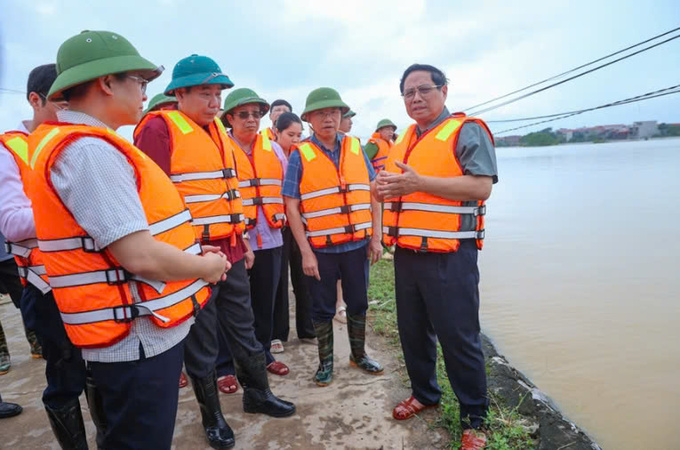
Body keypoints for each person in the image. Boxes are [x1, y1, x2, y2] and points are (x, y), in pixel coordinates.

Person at [25, 31, 228, 449]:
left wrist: (190, 253)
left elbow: (135, 235)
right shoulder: (88, 151)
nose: (143, 93)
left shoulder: (90, 144)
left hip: (134, 331)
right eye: (140, 82)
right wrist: (207, 267)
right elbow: (140, 256)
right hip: (134, 336)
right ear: (106, 82)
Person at [134, 54, 295, 449]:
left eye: (217, 92)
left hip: (231, 251)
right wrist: (182, 256)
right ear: (179, 93)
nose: (213, 101)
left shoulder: (218, 132)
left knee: (245, 324)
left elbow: (230, 192)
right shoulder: (158, 127)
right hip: (189, 257)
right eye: (204, 92)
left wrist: (240, 243)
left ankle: (258, 395)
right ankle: (213, 417)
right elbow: (148, 200)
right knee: (203, 339)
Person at [376, 64, 497, 450]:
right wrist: (383, 190)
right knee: (413, 332)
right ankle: (425, 393)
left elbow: (480, 186)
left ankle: (474, 418)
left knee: (459, 338)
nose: (415, 98)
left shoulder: (466, 130)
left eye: (423, 89)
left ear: (444, 91)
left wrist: (418, 182)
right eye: (408, 93)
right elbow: (397, 190)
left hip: (450, 256)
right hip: (408, 253)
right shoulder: (404, 138)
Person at [1, 64, 96, 450]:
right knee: (65, 379)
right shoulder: (11, 149)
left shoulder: (80, 141)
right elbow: (11, 222)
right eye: (60, 101)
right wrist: (76, 210)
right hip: (48, 288)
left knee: (100, 374)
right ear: (35, 100)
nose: (69, 109)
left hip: (95, 284)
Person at [283, 87, 383, 387]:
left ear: (341, 116)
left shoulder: (355, 147)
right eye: (322, 113)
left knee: (358, 302)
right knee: (323, 307)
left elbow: (373, 193)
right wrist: (305, 252)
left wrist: (376, 236)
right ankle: (326, 363)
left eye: (334, 112)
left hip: (357, 245)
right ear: (310, 119)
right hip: (322, 249)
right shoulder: (300, 154)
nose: (329, 118)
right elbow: (291, 204)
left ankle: (358, 355)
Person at [221, 88, 289, 377]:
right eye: (243, 114)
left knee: (265, 301)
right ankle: (226, 364)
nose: (251, 119)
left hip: (271, 237)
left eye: (256, 114)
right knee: (230, 306)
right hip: (235, 239)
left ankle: (263, 351)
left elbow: (287, 189)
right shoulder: (221, 149)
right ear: (230, 119)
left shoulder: (273, 149)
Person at [271, 113, 315, 352]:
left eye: (299, 135)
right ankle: (278, 334)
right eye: (290, 135)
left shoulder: (304, 156)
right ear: (276, 132)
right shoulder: (268, 154)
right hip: (277, 224)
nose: (296, 139)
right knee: (279, 280)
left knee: (303, 276)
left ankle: (307, 329)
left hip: (299, 223)